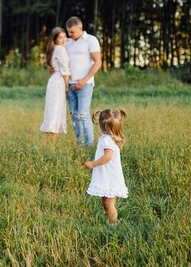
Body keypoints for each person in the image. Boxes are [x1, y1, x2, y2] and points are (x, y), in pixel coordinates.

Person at [82, 109, 129, 223]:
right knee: (106, 202)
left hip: (109, 178)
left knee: (108, 204)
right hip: (109, 175)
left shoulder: (107, 140)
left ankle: (113, 225)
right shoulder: (110, 138)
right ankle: (110, 221)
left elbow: (108, 156)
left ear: (103, 126)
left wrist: (93, 164)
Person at [64, 17, 101, 147]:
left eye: (72, 32)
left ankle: (89, 146)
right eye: (68, 32)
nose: (69, 34)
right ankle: (79, 144)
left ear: (80, 28)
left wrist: (84, 80)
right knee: (74, 116)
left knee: (83, 115)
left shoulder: (91, 40)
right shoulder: (67, 43)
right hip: (70, 84)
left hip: (85, 84)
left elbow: (98, 62)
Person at [39, 27, 70, 146]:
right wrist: (67, 87)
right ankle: (49, 146)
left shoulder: (52, 50)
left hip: (53, 81)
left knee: (52, 113)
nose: (63, 40)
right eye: (60, 38)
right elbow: (65, 71)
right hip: (59, 82)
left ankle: (47, 145)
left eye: (64, 37)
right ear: (54, 39)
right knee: (55, 113)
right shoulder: (61, 50)